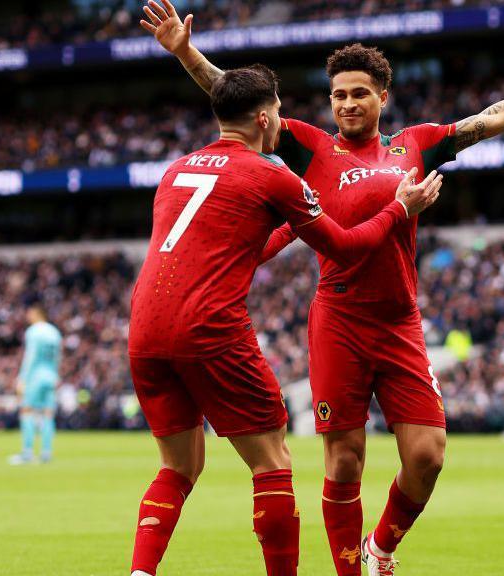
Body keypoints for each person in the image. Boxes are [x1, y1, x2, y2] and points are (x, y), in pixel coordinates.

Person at [141, 4, 504, 574]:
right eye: (338, 95)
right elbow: (239, 102)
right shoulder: (310, 147)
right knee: (343, 462)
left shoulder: (414, 145)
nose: (347, 104)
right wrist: (186, 53)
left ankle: (381, 544)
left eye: (359, 93)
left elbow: (489, 119)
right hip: (337, 320)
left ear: (382, 97)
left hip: (398, 321)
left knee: (427, 456)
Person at [125, 63, 443, 576]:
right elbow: (345, 245)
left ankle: (140, 573)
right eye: (276, 112)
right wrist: (399, 210)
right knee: (271, 462)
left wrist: (301, 225)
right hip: (210, 327)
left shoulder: (176, 169)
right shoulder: (272, 172)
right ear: (265, 118)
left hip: (143, 330)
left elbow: (245, 249)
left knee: (179, 466)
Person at [10, 304, 62, 465]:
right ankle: (46, 453)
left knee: (27, 411)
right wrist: (56, 376)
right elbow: (57, 357)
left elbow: (30, 356)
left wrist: (22, 378)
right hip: (51, 376)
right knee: (47, 414)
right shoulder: (55, 332)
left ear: (37, 314)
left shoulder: (33, 331)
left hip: (35, 377)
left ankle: (27, 453)